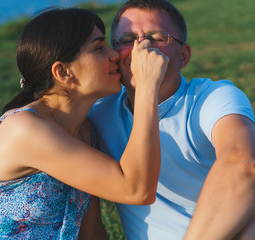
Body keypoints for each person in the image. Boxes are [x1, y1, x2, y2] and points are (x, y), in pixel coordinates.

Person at [0, 8, 169, 239]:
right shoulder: (25, 129)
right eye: (99, 48)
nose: (114, 54)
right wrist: (147, 87)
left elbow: (90, 229)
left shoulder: (86, 130)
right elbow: (136, 189)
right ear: (63, 72)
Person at [88, 0, 255, 239]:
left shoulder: (212, 98)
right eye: (126, 39)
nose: (141, 47)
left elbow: (244, 164)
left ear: (183, 55)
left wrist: (148, 85)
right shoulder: (100, 112)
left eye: (156, 37)